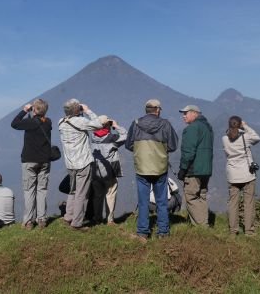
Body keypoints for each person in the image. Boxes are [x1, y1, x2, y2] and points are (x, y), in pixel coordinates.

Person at [126, 99, 178, 240]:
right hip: (160, 167)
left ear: (146, 110)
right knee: (162, 201)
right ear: (157, 110)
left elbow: (129, 145)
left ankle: (143, 232)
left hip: (142, 167)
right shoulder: (165, 124)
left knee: (143, 201)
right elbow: (173, 146)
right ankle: (163, 232)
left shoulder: (136, 124)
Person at [59, 98, 103, 231]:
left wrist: (78, 111)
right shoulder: (81, 121)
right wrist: (88, 110)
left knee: (72, 191)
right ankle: (77, 223)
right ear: (77, 110)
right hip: (83, 162)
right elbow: (98, 124)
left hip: (70, 163)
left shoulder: (60, 122)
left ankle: (68, 216)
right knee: (81, 193)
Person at [11, 99, 52, 230]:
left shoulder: (30, 122)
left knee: (29, 191)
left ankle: (28, 221)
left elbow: (14, 124)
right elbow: (40, 120)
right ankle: (42, 219)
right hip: (45, 160)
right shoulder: (48, 122)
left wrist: (24, 111)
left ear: (34, 109)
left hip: (29, 160)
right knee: (41, 190)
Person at [222, 116, 260, 236]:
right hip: (247, 174)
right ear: (239, 125)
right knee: (248, 203)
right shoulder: (246, 137)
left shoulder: (224, 138)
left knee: (233, 204)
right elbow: (257, 138)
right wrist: (245, 126)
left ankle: (233, 231)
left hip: (232, 175)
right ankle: (249, 231)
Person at [178, 105, 213, 227]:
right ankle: (205, 223)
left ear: (194, 113)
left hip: (194, 170)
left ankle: (201, 228)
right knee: (202, 196)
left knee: (191, 197)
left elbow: (188, 152)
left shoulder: (192, 128)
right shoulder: (207, 127)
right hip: (206, 169)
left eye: (185, 113)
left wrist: (182, 169)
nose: (183, 116)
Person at [90, 115, 127, 225]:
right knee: (110, 193)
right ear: (107, 126)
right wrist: (116, 126)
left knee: (97, 195)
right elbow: (125, 135)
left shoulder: (92, 137)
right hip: (109, 171)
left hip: (95, 171)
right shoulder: (112, 138)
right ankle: (109, 219)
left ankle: (97, 218)